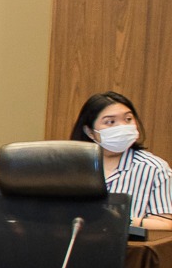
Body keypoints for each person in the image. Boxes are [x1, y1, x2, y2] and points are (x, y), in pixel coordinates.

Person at [72, 90, 172, 229]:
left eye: (128, 119)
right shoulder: (69, 166)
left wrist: (120, 220)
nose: (122, 127)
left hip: (127, 243)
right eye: (110, 122)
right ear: (90, 132)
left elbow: (166, 223)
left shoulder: (154, 169)